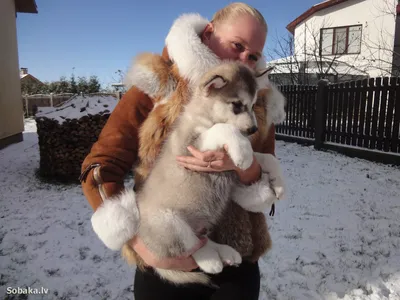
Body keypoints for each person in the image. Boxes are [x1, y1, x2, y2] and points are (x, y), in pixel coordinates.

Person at [80, 3, 284, 299]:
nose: (243, 59)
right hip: (164, 260)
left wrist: (243, 166)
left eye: (252, 55)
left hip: (235, 264)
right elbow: (101, 165)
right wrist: (141, 244)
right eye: (237, 45)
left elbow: (265, 176)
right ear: (209, 33)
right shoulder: (158, 83)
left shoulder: (257, 102)